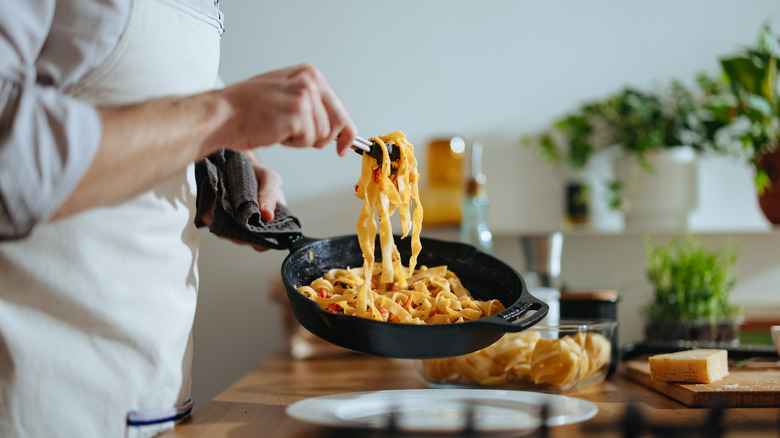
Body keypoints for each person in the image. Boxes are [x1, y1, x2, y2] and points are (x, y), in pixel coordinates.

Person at [0, 0, 357, 436]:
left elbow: (153, 127)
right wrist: (225, 114)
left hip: (155, 398)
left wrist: (224, 182)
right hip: (37, 398)